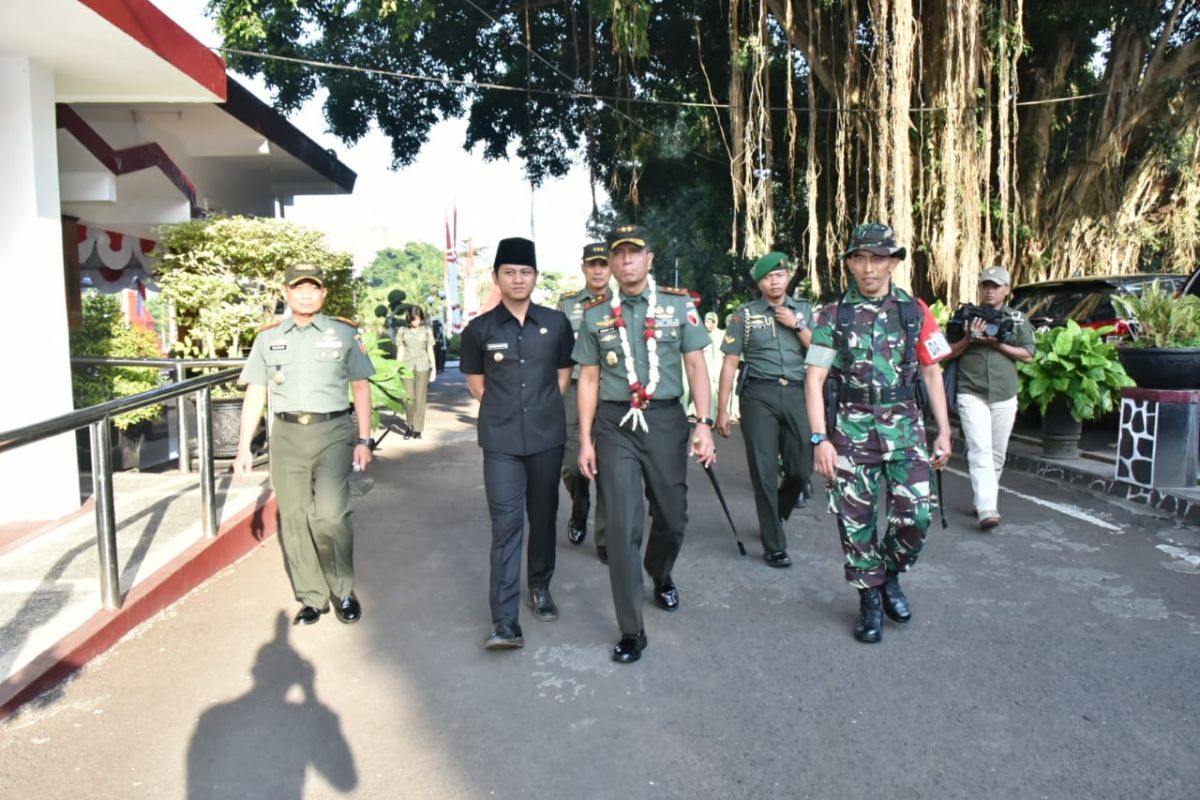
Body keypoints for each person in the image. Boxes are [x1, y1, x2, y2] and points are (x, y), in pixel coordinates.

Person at [574, 223, 717, 664]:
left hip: (666, 419)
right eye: (619, 254)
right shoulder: (596, 314)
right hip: (615, 424)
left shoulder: (678, 306)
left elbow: (696, 366)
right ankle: (631, 628)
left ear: (649, 259)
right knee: (621, 524)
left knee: (673, 517)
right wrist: (585, 439)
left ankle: (661, 571)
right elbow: (590, 379)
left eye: (635, 253)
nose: (626, 261)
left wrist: (705, 423)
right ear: (612, 263)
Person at [804, 223, 952, 644]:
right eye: (860, 259)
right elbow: (814, 380)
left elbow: (932, 370)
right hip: (851, 431)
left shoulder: (916, 312)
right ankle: (870, 597)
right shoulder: (832, 316)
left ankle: (888, 573)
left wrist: (943, 430)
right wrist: (820, 439)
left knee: (917, 514)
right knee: (856, 521)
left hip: (906, 429)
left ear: (893, 262)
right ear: (850, 263)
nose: (869, 268)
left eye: (878, 259)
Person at [233, 264, 376, 627]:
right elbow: (257, 391)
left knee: (330, 515)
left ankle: (342, 589)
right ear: (286, 293)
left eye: (314, 288)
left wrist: (364, 438)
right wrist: (243, 447)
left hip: (333, 431)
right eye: (299, 288)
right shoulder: (267, 338)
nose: (307, 294)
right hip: (286, 435)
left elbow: (361, 387)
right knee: (294, 518)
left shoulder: (343, 334)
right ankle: (312, 596)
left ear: (324, 294)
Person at [460, 237, 575, 650]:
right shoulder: (479, 329)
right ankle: (505, 621)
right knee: (506, 525)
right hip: (501, 441)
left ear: (535, 277)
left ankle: (540, 587)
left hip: (546, 437)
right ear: (497, 278)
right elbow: (477, 383)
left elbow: (563, 374)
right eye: (509, 272)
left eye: (525, 272)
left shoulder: (556, 324)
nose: (518, 278)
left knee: (543, 517)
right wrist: (508, 409)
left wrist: (540, 407)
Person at [716, 252, 814, 567]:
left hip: (798, 392)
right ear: (760, 282)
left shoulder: (806, 311)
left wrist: (797, 325)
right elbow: (730, 364)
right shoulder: (744, 316)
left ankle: (778, 513)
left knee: (801, 469)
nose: (775, 281)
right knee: (764, 471)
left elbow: (822, 351)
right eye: (768, 277)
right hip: (758, 394)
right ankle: (774, 543)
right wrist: (722, 409)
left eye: (780, 276)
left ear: (787, 278)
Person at [945, 265, 1034, 529]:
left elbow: (1029, 354)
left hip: (1004, 394)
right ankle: (987, 509)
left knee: (997, 452)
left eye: (995, 286)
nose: (989, 291)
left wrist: (998, 344)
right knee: (980, 449)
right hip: (971, 391)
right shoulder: (964, 316)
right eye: (985, 285)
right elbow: (945, 352)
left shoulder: (1017, 320)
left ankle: (984, 498)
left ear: (1007, 291)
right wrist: (968, 339)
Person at [557, 242, 611, 561]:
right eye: (592, 264)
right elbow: (558, 353)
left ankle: (604, 536)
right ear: (584, 268)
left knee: (610, 465)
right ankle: (579, 510)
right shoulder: (567, 306)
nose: (599, 270)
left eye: (603, 264)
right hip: (575, 390)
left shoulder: (623, 304)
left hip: (613, 390)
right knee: (570, 466)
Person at [396, 305, 437, 440]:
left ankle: (418, 428)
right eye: (413, 320)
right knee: (408, 398)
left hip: (423, 366)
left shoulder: (427, 331)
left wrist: (434, 369)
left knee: (420, 399)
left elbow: (430, 349)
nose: (416, 322)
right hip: (406, 367)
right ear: (409, 318)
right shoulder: (402, 331)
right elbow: (401, 350)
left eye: (418, 319)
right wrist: (396, 368)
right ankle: (409, 424)